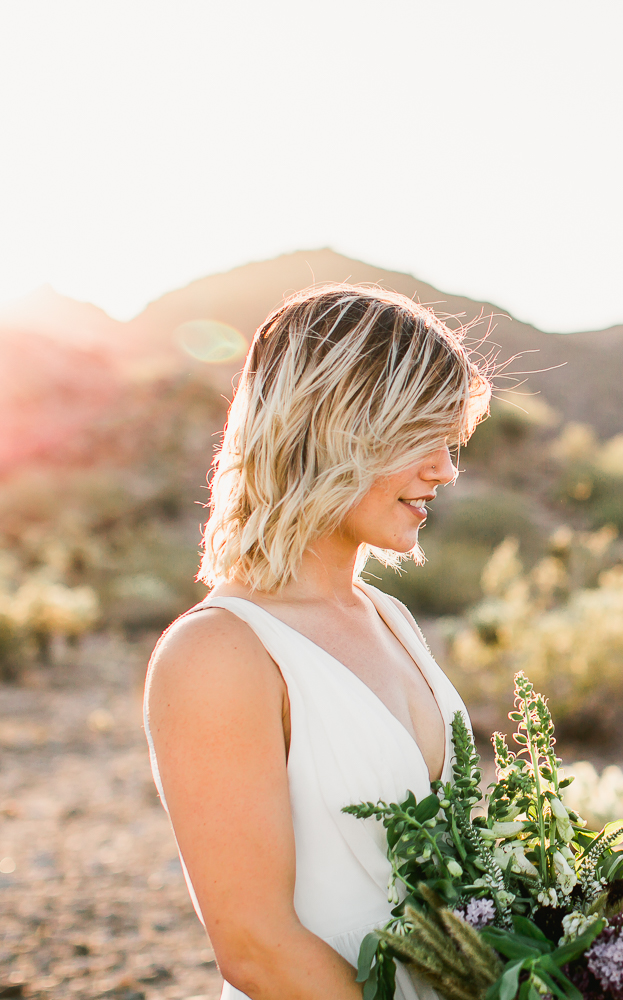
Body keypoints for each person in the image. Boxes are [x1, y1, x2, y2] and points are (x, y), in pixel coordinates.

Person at [144, 285, 492, 1000]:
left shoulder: (386, 615)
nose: (446, 469)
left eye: (450, 439)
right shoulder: (218, 653)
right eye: (421, 437)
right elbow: (257, 948)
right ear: (335, 429)